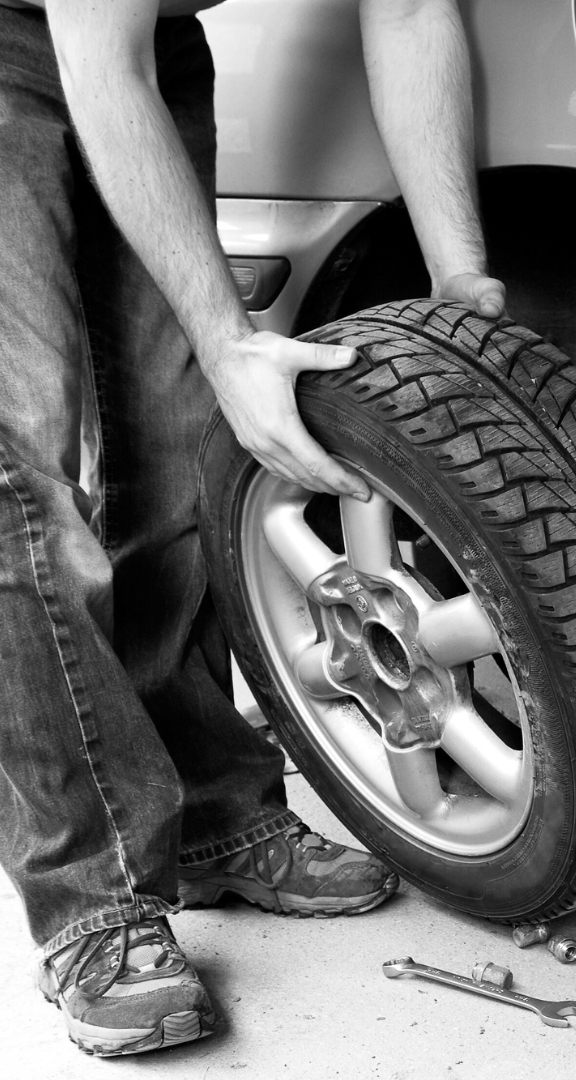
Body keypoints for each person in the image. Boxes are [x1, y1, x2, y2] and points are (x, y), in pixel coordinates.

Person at [0, 0, 506, 1057]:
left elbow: (411, 11)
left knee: (184, 432)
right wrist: (232, 341)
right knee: (23, 460)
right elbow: (102, 60)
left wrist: (460, 276)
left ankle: (211, 809)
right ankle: (90, 896)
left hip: (148, 38)